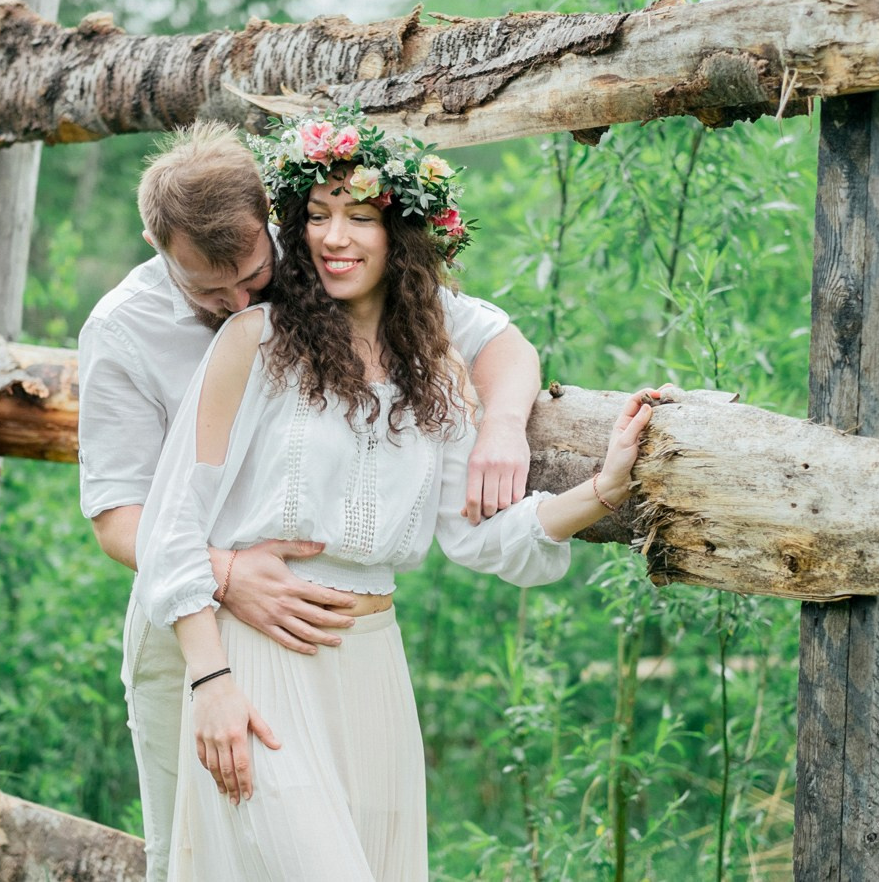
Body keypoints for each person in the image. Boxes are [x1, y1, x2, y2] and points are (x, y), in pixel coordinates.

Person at [131, 107, 660, 879]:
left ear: (401, 232)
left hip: (374, 668)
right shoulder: (254, 343)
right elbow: (170, 528)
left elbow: (475, 535)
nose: (333, 237)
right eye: (317, 216)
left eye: (359, 217)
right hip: (260, 663)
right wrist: (210, 682)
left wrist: (603, 491)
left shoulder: (434, 368)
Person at [77, 121, 542, 880]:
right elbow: (117, 517)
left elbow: (497, 342)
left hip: (333, 646)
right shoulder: (123, 328)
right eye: (208, 289)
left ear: (267, 218)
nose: (237, 300)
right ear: (155, 243)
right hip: (189, 626)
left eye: (251, 276)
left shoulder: (320, 260)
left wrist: (501, 425)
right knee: (189, 853)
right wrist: (229, 572)